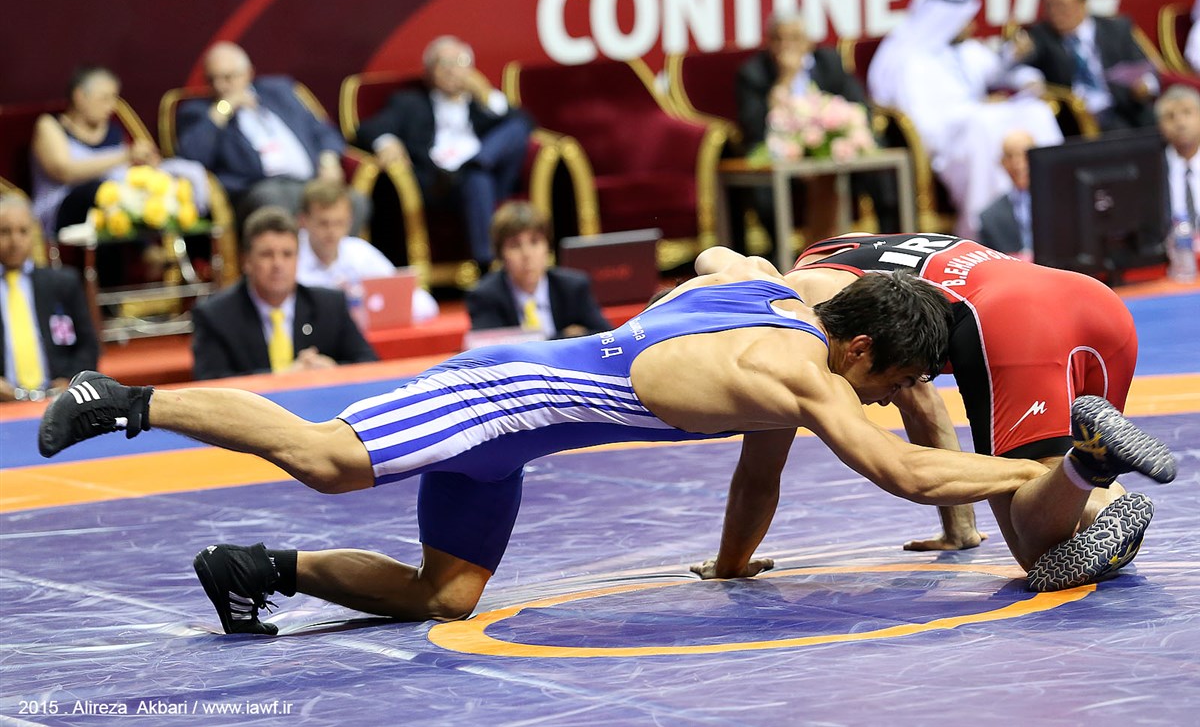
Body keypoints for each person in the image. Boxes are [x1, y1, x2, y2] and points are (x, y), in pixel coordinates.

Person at [38, 249, 1172, 635]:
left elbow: (721, 268)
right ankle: (121, 399)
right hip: (496, 395)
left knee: (445, 598)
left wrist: (733, 563)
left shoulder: (775, 293)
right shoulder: (797, 374)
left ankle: (257, 572)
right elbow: (903, 470)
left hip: (515, 444)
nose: (892, 399)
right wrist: (1043, 468)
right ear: (862, 348)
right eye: (895, 381)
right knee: (327, 458)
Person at [751, 233, 1178, 593]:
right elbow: (918, 399)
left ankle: (1089, 466)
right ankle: (1104, 491)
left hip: (1014, 321)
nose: (882, 400)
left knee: (1036, 550)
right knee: (1070, 485)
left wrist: (733, 564)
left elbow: (918, 403)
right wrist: (958, 530)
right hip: (1094, 302)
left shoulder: (806, 311)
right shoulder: (847, 254)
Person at [867, 0, 1063, 240]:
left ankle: (1053, 214)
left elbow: (998, 71)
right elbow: (926, 125)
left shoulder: (967, 51)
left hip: (980, 121)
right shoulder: (910, 62)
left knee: (1037, 112)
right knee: (981, 124)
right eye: (965, 20)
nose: (972, 26)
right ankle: (988, 231)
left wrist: (1026, 77)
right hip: (950, 142)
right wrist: (977, 109)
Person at [354, 36, 534, 271]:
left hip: (492, 177)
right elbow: (368, 129)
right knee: (477, 179)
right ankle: (488, 265)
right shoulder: (410, 103)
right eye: (444, 64)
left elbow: (525, 125)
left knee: (514, 130)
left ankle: (477, 163)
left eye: (460, 62)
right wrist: (388, 142)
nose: (452, 70)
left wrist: (487, 95)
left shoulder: (482, 104)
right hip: (441, 184)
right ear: (430, 72)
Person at [735, 14, 900, 247]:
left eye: (794, 38)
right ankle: (781, 252)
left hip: (834, 147)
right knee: (761, 183)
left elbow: (858, 105)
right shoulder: (753, 72)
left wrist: (841, 126)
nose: (786, 46)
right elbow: (754, 127)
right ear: (769, 43)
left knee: (879, 156)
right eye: (779, 39)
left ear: (808, 42)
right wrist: (785, 79)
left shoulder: (828, 61)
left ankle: (893, 240)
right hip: (781, 153)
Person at [176, 42, 368, 229]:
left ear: (248, 73)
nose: (219, 86)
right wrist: (224, 108)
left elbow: (323, 130)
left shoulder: (279, 91)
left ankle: (328, 251)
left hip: (310, 182)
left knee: (356, 202)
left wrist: (328, 160)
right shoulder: (200, 112)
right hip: (258, 188)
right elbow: (191, 157)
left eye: (227, 77)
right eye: (212, 79)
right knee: (273, 200)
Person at [190, 206, 377, 381]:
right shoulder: (215, 316)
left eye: (287, 254)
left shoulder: (330, 305)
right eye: (267, 254)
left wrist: (335, 371)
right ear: (246, 261)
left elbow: (370, 365)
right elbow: (211, 385)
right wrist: (282, 379)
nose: (278, 264)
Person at [31, 66, 210, 236]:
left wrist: (145, 164)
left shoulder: (114, 130)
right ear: (80, 96)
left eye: (114, 99)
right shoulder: (50, 126)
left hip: (111, 212)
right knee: (104, 192)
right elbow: (64, 171)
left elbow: (125, 173)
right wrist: (125, 156)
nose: (111, 107)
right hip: (62, 212)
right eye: (104, 98)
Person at [1019, 0, 1158, 132]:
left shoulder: (1116, 29)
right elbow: (1020, 67)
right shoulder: (1041, 36)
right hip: (1077, 119)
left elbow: (1147, 70)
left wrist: (1145, 86)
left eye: (1061, 5)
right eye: (1049, 5)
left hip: (1123, 110)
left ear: (1082, 3)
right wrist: (1028, 76)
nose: (1054, 12)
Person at [295, 180, 438, 324]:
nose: (331, 232)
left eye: (339, 223)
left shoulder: (359, 252)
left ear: (350, 221)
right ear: (303, 221)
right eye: (323, 223)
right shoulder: (289, 255)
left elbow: (423, 304)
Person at [0, 194, 98, 402]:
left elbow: (88, 345)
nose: (15, 241)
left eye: (23, 231)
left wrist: (70, 380)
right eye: (5, 232)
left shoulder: (63, 283)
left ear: (34, 235)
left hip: (58, 399)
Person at [466, 200, 610, 339]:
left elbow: (606, 337)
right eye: (515, 245)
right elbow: (489, 350)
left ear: (548, 247)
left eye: (535, 242)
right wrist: (564, 337)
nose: (527, 254)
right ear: (500, 254)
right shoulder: (485, 297)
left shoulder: (573, 287)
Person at [976, 130, 1037, 260]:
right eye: (1010, 157)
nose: (1017, 164)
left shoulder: (1062, 205)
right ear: (1002, 162)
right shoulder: (990, 217)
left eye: (1024, 155)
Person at [1155, 85, 1200, 232]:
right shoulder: (1152, 169)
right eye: (1170, 117)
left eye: (1187, 113)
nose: (1180, 124)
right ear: (1160, 126)